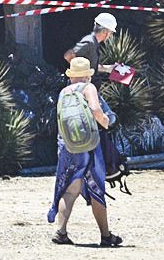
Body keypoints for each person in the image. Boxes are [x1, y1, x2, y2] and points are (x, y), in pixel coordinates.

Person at [49, 56, 120, 247]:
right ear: (87, 76)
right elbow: (96, 110)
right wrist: (105, 122)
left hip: (68, 146)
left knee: (70, 190)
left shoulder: (63, 92)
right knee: (96, 189)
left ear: (71, 76)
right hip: (89, 145)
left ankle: (61, 231)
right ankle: (106, 235)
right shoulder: (89, 88)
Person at [66, 12, 120, 80]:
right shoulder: (89, 42)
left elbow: (90, 66)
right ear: (104, 31)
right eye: (111, 32)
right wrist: (80, 74)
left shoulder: (95, 43)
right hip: (80, 87)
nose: (111, 35)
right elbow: (68, 55)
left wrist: (108, 68)